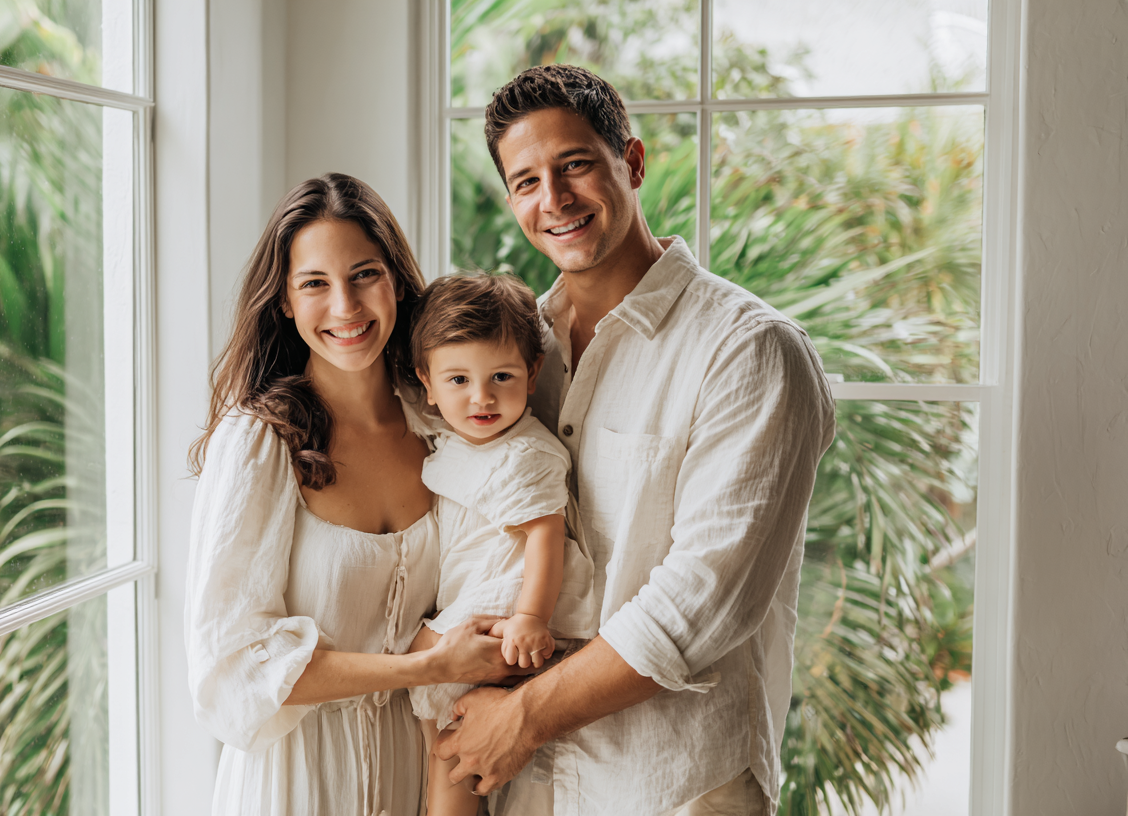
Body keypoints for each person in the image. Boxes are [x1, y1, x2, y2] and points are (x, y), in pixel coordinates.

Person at [433, 65, 837, 816]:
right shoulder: (518, 356)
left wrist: (521, 716)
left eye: (575, 165)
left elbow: (700, 605)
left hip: (671, 787)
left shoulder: (749, 351)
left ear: (635, 162)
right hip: (523, 785)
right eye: (525, 181)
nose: (552, 200)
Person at [185, 173, 523, 816]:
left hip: (416, 774)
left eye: (364, 274)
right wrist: (423, 668)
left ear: (396, 279)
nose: (345, 306)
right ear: (283, 301)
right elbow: (229, 667)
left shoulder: (444, 426)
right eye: (315, 283)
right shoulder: (260, 443)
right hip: (296, 783)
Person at [402, 273, 598, 816]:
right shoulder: (450, 434)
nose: (481, 397)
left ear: (533, 373)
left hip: (506, 598)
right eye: (458, 380)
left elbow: (544, 536)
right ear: (428, 382)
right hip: (474, 595)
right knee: (443, 737)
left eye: (502, 376)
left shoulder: (525, 454)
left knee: (447, 743)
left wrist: (530, 615)